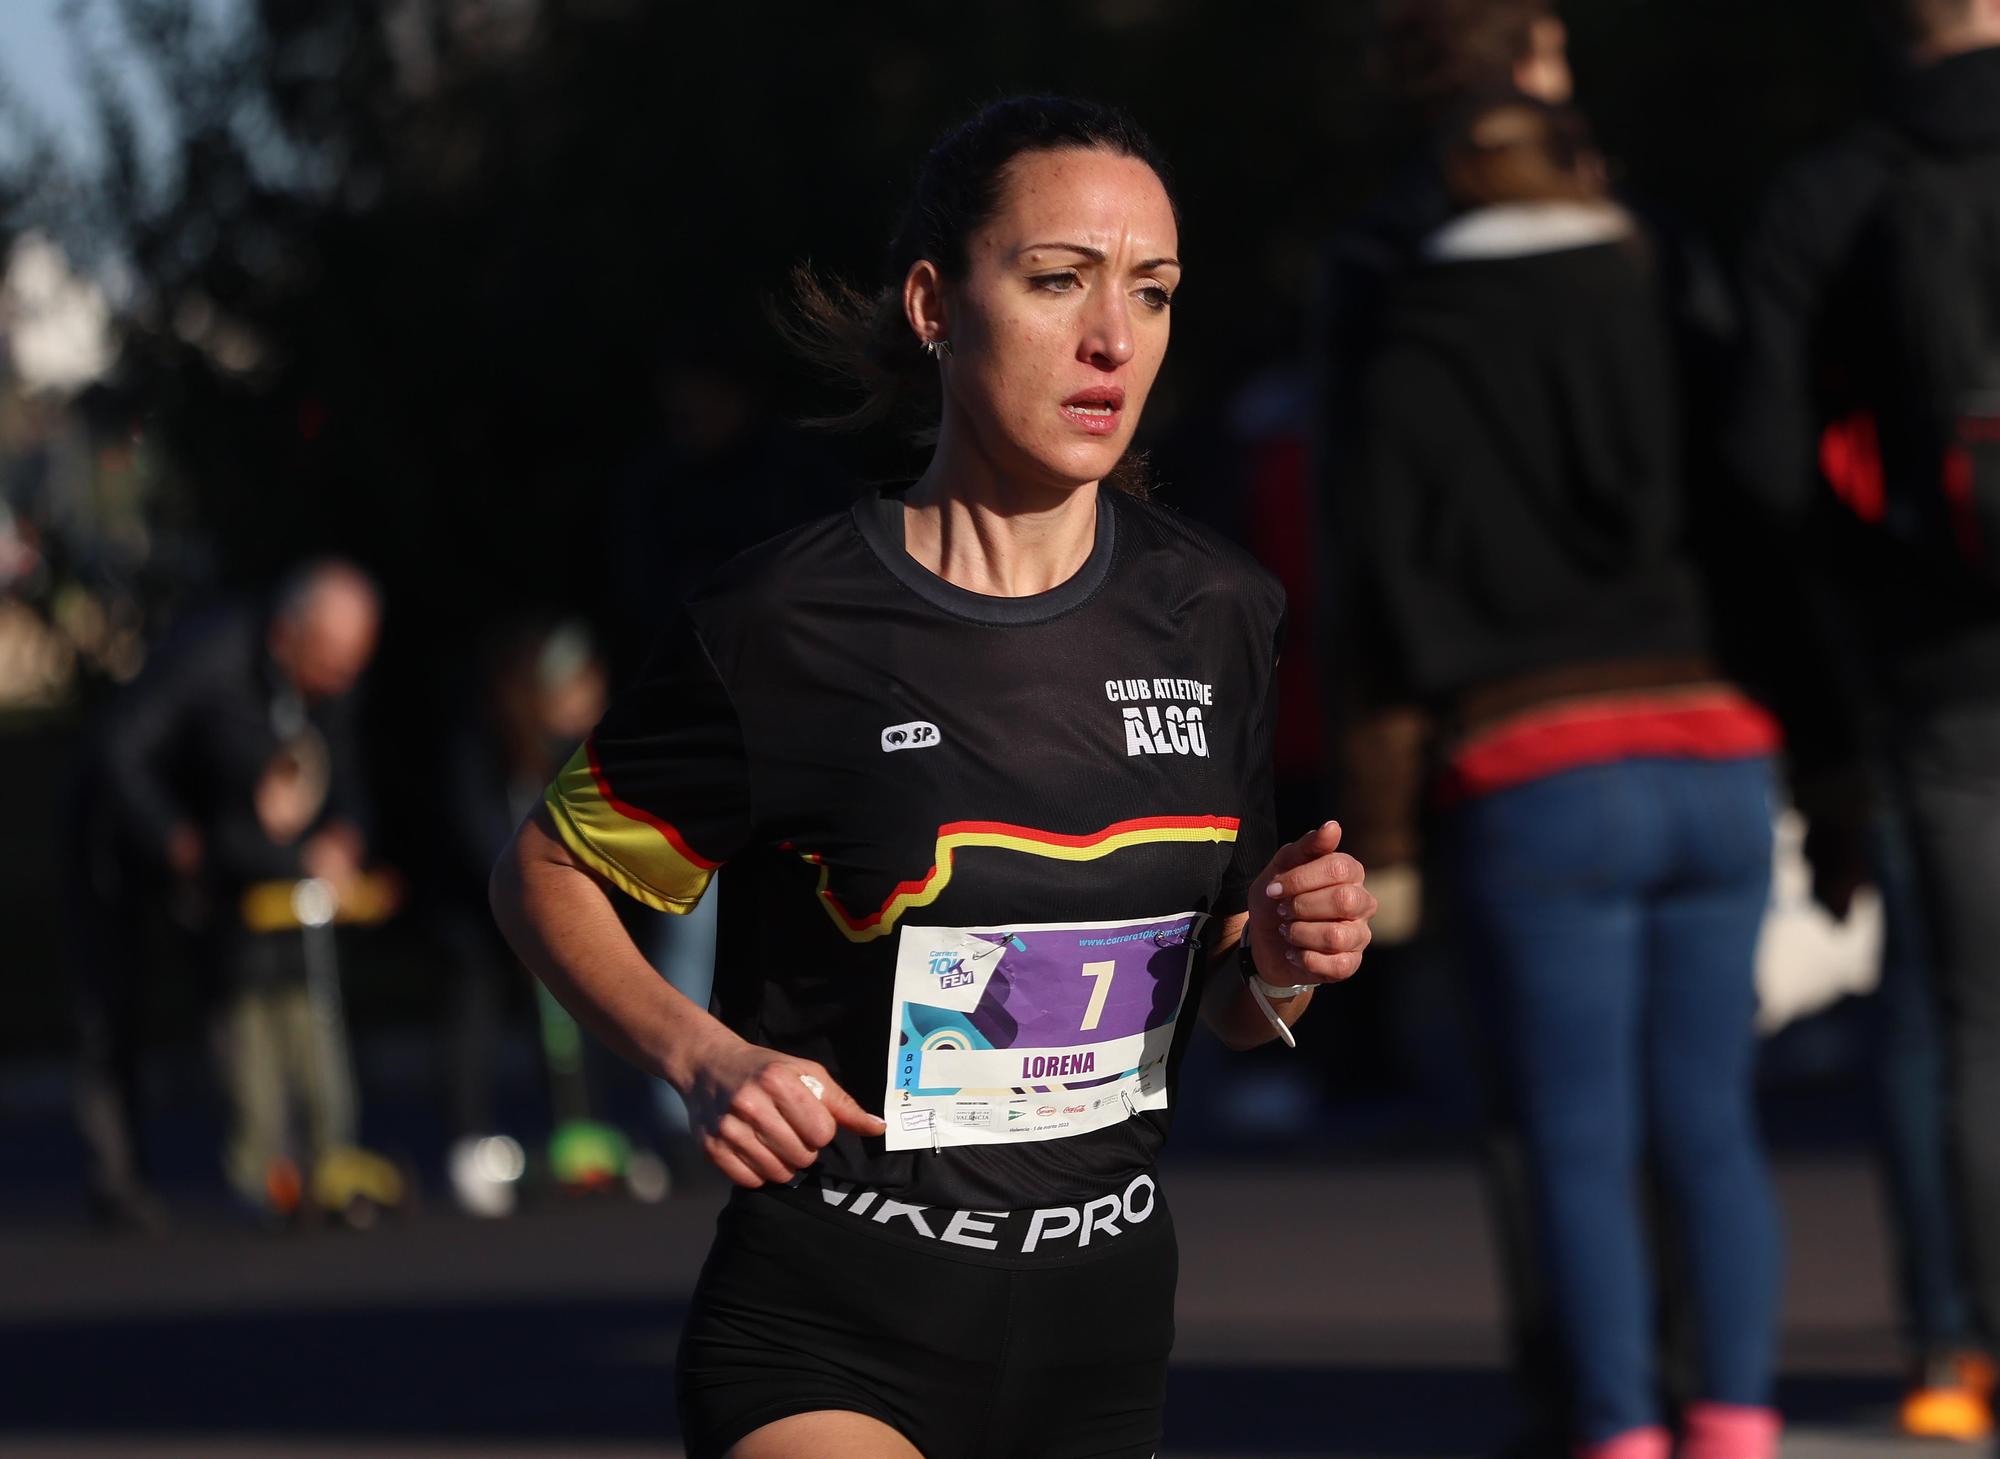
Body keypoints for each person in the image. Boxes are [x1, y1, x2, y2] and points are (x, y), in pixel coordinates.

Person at [490, 95, 1378, 1459]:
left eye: (1151, 290)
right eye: (1056, 279)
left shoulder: (1218, 611)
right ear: (932, 304)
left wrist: (1286, 951)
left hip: (1099, 1346)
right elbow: (546, 865)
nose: (1112, 338)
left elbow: (1229, 999)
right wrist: (701, 1054)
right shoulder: (789, 623)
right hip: (829, 1329)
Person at [1350, 99, 1785, 1459]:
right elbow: (1765, 506)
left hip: (1536, 767)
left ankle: (1620, 1429)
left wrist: (1385, 826)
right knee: (1713, 1121)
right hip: (1716, 742)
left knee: (1580, 1136)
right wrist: (1828, 765)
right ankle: (1737, 1415)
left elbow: (1380, 594)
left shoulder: (1409, 345)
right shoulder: (1669, 296)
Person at [1730, 0, 2000, 1436]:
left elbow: (1770, 463)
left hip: (1924, 660)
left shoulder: (1836, 191)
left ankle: (1956, 1344)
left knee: (1950, 1013)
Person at [83, 558, 381, 1215]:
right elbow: (120, 751)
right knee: (115, 1001)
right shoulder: (208, 661)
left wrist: (346, 832)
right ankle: (119, 1176)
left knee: (255, 992)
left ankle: (298, 1161)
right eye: (331, 661)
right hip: (131, 831)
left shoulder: (332, 681)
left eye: (353, 664)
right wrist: (175, 841)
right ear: (287, 635)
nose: (341, 680)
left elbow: (345, 773)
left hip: (237, 852)